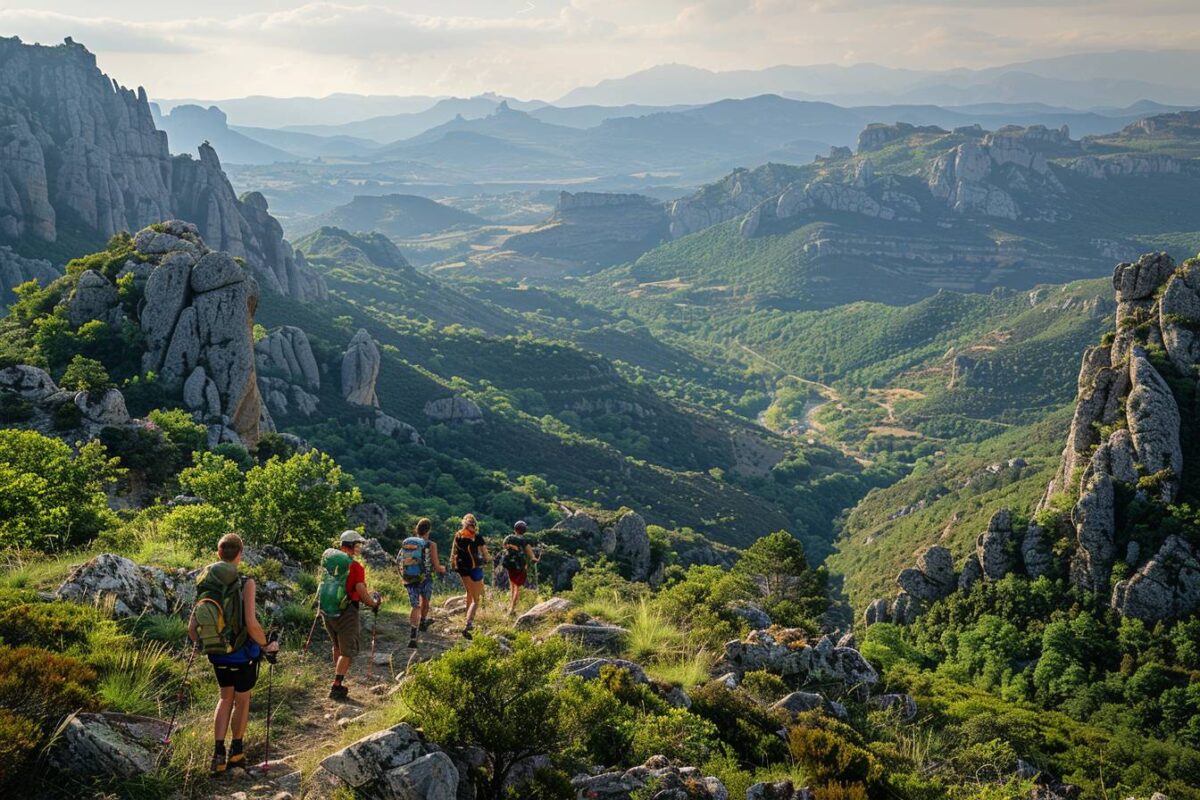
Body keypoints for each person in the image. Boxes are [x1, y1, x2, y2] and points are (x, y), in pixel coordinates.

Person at [188, 532, 280, 775]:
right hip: (241, 655)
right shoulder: (245, 582)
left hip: (217, 654)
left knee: (224, 697)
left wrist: (207, 644)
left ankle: (217, 755)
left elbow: (191, 628)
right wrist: (265, 646)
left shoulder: (205, 582)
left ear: (218, 553)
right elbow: (251, 623)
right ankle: (236, 753)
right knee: (242, 699)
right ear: (240, 553)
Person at [319, 530, 383, 701]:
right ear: (353, 546)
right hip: (347, 611)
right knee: (347, 651)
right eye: (358, 545)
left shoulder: (331, 562)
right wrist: (373, 603)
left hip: (327, 610)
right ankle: (336, 686)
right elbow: (360, 590)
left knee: (337, 646)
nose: (360, 548)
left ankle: (338, 674)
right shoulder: (355, 567)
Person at [399, 517, 445, 648]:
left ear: (417, 529)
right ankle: (423, 622)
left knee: (415, 606)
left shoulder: (408, 542)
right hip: (425, 578)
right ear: (429, 530)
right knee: (425, 600)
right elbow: (436, 566)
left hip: (409, 578)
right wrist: (442, 569)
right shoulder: (431, 544)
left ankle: (413, 635)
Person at [449, 513, 489, 640]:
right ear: (475, 525)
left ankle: (466, 616)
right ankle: (468, 624)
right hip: (474, 568)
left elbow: (453, 552)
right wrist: (488, 560)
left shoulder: (458, 535)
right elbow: (486, 555)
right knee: (476, 599)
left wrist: (453, 565)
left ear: (464, 524)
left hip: (461, 568)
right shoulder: (477, 537)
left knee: (469, 593)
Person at [501, 520, 540, 616]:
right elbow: (531, 555)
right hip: (520, 566)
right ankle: (512, 608)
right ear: (524, 530)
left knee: (512, 585)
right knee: (517, 588)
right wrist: (535, 559)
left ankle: (511, 605)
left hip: (510, 565)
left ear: (515, 529)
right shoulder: (524, 541)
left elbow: (504, 546)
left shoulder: (509, 538)